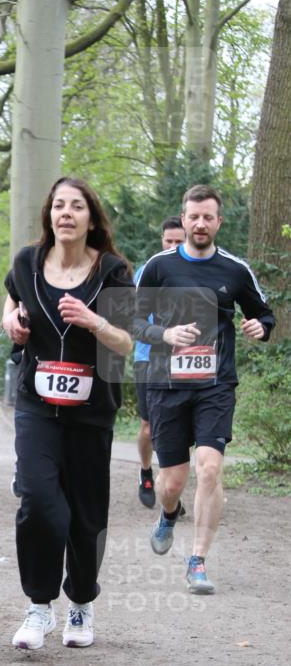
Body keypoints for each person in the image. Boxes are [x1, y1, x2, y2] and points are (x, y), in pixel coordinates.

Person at [2, 176, 134, 651]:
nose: (66, 213)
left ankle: (80, 600)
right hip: (37, 404)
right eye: (58, 205)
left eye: (76, 206)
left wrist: (94, 320)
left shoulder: (113, 271)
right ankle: (39, 607)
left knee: (87, 513)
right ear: (49, 215)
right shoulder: (27, 262)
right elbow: (12, 301)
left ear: (91, 218)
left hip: (92, 408)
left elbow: (128, 342)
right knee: (39, 500)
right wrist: (10, 323)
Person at [135, 184, 275, 594]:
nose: (199, 224)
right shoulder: (159, 266)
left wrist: (258, 328)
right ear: (183, 218)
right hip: (167, 384)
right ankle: (168, 512)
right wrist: (166, 332)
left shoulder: (235, 269)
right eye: (192, 217)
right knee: (172, 481)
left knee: (210, 469)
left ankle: (197, 560)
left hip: (216, 383)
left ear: (218, 222)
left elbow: (264, 315)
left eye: (207, 217)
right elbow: (134, 321)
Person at [134, 217, 186, 508]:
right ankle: (145, 473)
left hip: (185, 360)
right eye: (169, 241)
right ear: (161, 240)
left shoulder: (195, 269)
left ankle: (170, 489)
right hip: (147, 358)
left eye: (179, 241)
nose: (173, 246)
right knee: (149, 427)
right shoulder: (148, 270)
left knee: (176, 429)